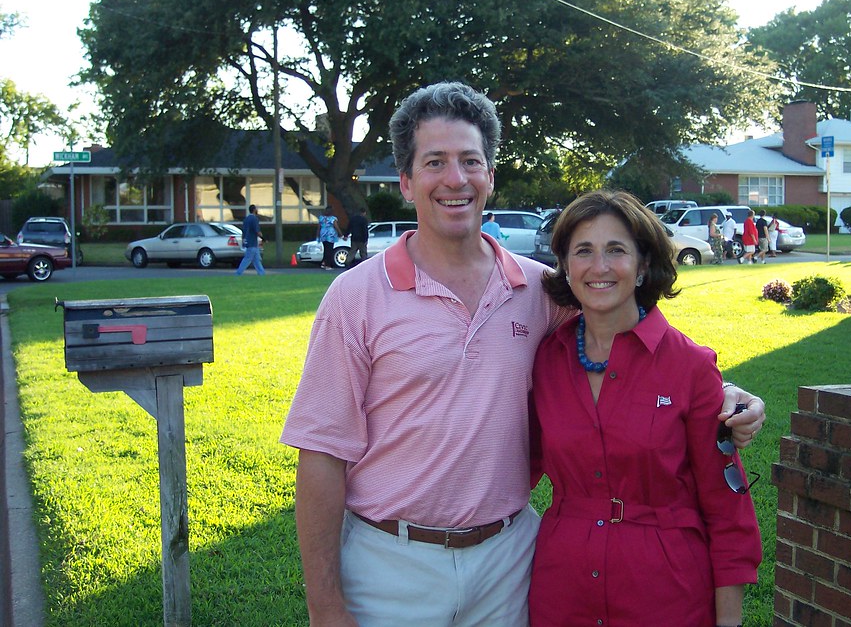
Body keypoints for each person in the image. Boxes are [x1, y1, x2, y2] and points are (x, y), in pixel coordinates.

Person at [280, 82, 766, 627]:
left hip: (508, 564)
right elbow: (321, 455)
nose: (455, 179)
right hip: (391, 566)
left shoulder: (539, 291)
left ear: (490, 175)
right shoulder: (355, 298)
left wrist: (717, 391)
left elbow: (625, 333)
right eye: (435, 162)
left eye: (470, 161)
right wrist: (325, 607)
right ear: (406, 180)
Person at [530, 190, 761, 626]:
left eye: (616, 250)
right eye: (584, 251)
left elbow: (727, 509)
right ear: (566, 266)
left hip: (666, 595)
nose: (599, 267)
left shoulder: (689, 366)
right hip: (562, 592)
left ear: (642, 266)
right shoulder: (546, 360)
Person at [234, 204, 265, 276]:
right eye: (256, 209)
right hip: (252, 243)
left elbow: (244, 231)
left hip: (248, 242)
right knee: (247, 259)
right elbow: (257, 231)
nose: (257, 210)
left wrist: (243, 241)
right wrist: (263, 238)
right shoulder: (254, 219)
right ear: (254, 210)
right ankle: (238, 273)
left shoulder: (246, 219)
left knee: (257, 260)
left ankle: (262, 273)